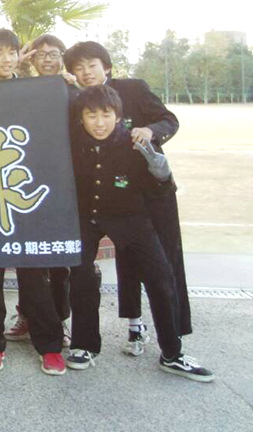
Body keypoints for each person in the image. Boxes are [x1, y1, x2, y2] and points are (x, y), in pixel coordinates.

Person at [66, 85, 213, 382]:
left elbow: (159, 193)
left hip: (131, 218)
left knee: (161, 279)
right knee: (81, 276)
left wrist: (162, 174)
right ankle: (84, 345)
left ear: (118, 116)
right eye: (91, 115)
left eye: (106, 115)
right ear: (81, 118)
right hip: (87, 218)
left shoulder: (135, 144)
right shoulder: (73, 143)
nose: (99, 122)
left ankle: (172, 353)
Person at [64, 40, 189, 353]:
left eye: (91, 65)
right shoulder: (75, 100)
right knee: (83, 271)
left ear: (106, 66)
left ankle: (171, 344)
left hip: (144, 189)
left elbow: (169, 120)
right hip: (96, 203)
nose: (85, 72)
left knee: (161, 267)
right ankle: (104, 337)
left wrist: (151, 133)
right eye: (78, 68)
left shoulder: (133, 88)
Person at [0, 29, 67, 375]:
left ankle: (49, 344)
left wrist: (66, 83)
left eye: (11, 52)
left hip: (22, 191)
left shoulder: (34, 89)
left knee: (34, 272)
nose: (6, 60)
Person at [5, 33, 73, 345]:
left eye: (53, 53)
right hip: (26, 179)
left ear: (62, 57)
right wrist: (16, 65)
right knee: (28, 255)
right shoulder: (20, 87)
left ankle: (59, 319)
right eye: (40, 54)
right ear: (31, 59)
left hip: (63, 182)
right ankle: (26, 314)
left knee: (59, 259)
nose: (47, 59)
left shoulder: (71, 88)